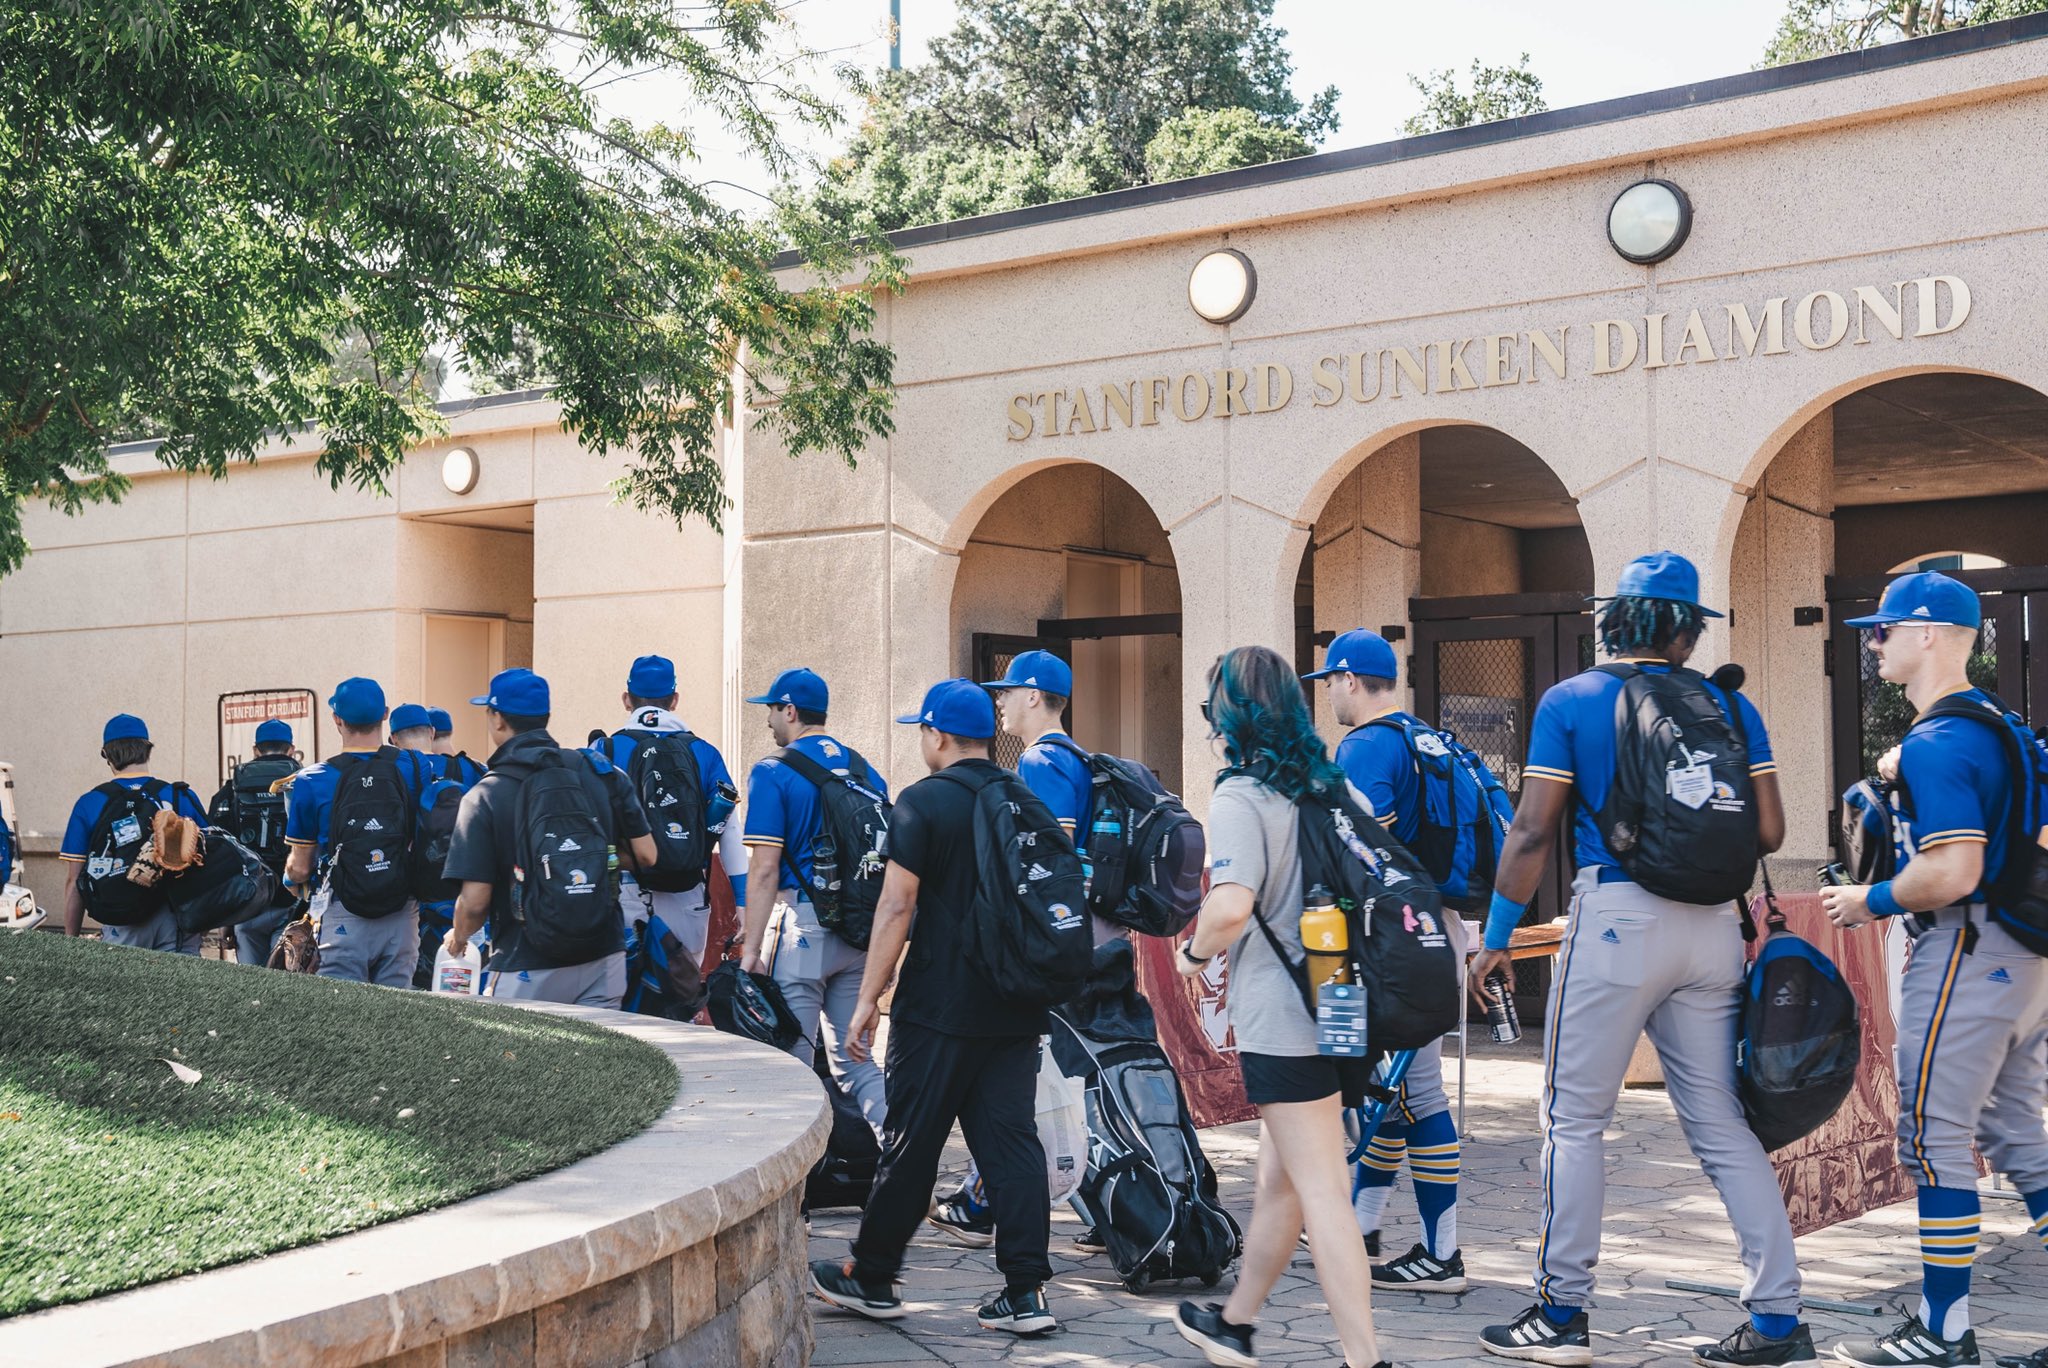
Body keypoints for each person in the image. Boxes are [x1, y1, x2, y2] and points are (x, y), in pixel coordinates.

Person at [1468, 552, 1807, 1367]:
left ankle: (1560, 1316)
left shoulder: (1573, 701)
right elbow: (1769, 833)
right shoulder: (1731, 705)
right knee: (1723, 1125)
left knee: (1575, 1119)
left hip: (1618, 919)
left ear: (1611, 619)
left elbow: (1532, 831)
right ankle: (1777, 1322)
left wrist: (1498, 934)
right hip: (1713, 929)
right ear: (1688, 630)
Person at [1820, 572, 2048, 1368]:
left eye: (1881, 631)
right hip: (2022, 958)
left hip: (1968, 945)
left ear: (1925, 634)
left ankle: (1941, 1332)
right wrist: (1896, 768)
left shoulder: (1939, 740)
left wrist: (1869, 897)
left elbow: (1952, 870)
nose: (1873, 643)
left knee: (1932, 1136)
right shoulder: (1998, 724)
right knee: (2018, 1134)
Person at [809, 679, 1058, 1336]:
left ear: (937, 735)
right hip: (1013, 1004)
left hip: (938, 1008)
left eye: (921, 731)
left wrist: (867, 999)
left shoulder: (923, 803)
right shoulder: (1021, 797)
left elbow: (896, 905)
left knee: (912, 1142)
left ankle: (873, 1275)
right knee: (1012, 1145)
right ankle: (1026, 1291)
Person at [1171, 645, 1388, 1368]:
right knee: (1281, 1179)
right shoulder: (1332, 788)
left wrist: (1192, 954)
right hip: (1342, 1010)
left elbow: (1231, 905)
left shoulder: (1241, 795)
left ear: (1230, 718)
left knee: (1323, 1192)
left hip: (1284, 1020)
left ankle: (1366, 1360)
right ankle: (1236, 1322)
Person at [1308, 628, 1467, 1291]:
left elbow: (1360, 837)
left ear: (1347, 681)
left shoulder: (1367, 745)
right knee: (1391, 1086)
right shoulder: (1427, 739)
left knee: (1415, 1090)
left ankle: (1442, 1253)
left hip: (1393, 934)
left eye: (1330, 685)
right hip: (1437, 926)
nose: (1329, 699)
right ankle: (1361, 1225)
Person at [924, 649, 1092, 1248]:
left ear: (1031, 695)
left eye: (1006, 691)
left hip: (1055, 942)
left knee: (1029, 1088)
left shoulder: (1042, 762)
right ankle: (1101, 1203)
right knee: (1067, 1079)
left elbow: (1048, 862)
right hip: (1084, 936)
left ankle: (984, 1198)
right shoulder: (1076, 756)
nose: (998, 702)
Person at [441, 668, 655, 1006]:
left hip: (525, 965)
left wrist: (458, 937)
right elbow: (647, 855)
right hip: (604, 955)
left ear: (497, 719)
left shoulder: (485, 796)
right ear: (546, 717)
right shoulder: (602, 773)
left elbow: (476, 901)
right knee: (601, 1058)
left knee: (520, 1059)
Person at [737, 667, 889, 1132]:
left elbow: (764, 869)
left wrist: (750, 952)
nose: (768, 720)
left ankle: (795, 1195)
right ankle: (906, 1165)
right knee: (858, 1065)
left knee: (792, 1068)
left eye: (771, 710)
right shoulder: (865, 770)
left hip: (802, 926)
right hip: (861, 931)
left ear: (791, 711)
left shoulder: (773, 770)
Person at [595, 654, 746, 978]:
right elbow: (729, 831)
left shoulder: (605, 750)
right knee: (681, 999)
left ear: (627, 699)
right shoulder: (703, 751)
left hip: (626, 894)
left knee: (622, 1007)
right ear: (674, 700)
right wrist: (743, 904)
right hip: (688, 896)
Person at [284, 679, 437, 987]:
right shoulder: (415, 765)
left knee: (343, 1020)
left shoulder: (311, 780)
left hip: (343, 914)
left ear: (336, 719)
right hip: (403, 915)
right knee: (397, 1016)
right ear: (385, 714)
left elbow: (300, 867)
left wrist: (292, 881)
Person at [60, 714, 210, 951]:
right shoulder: (179, 795)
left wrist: (70, 939)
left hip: (122, 922)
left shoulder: (89, 803)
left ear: (107, 755)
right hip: (177, 918)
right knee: (180, 987)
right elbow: (209, 861)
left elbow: (74, 880)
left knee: (125, 987)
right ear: (147, 750)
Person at [208, 717, 301, 968]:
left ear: (255, 750)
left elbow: (217, 854)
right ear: (291, 749)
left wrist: (227, 918)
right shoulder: (305, 784)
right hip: (292, 904)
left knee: (252, 983)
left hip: (247, 903)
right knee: (287, 985)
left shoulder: (231, 790)